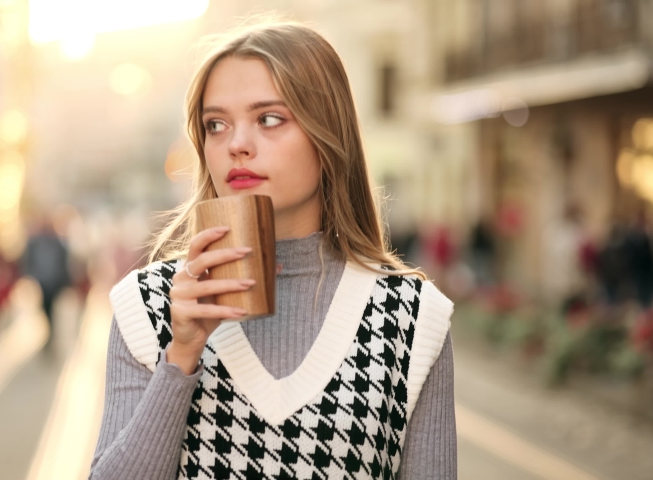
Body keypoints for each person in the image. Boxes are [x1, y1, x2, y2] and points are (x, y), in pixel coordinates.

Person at [90, 22, 456, 480]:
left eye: (268, 119)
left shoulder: (413, 319)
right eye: (216, 125)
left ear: (328, 137)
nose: (236, 145)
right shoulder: (147, 306)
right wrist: (181, 356)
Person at [21, 217, 71, 344]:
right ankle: (49, 330)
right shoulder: (36, 242)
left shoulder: (59, 243)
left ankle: (51, 332)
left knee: (51, 308)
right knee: (43, 307)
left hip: (54, 282)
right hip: (42, 281)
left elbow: (64, 263)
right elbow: (28, 259)